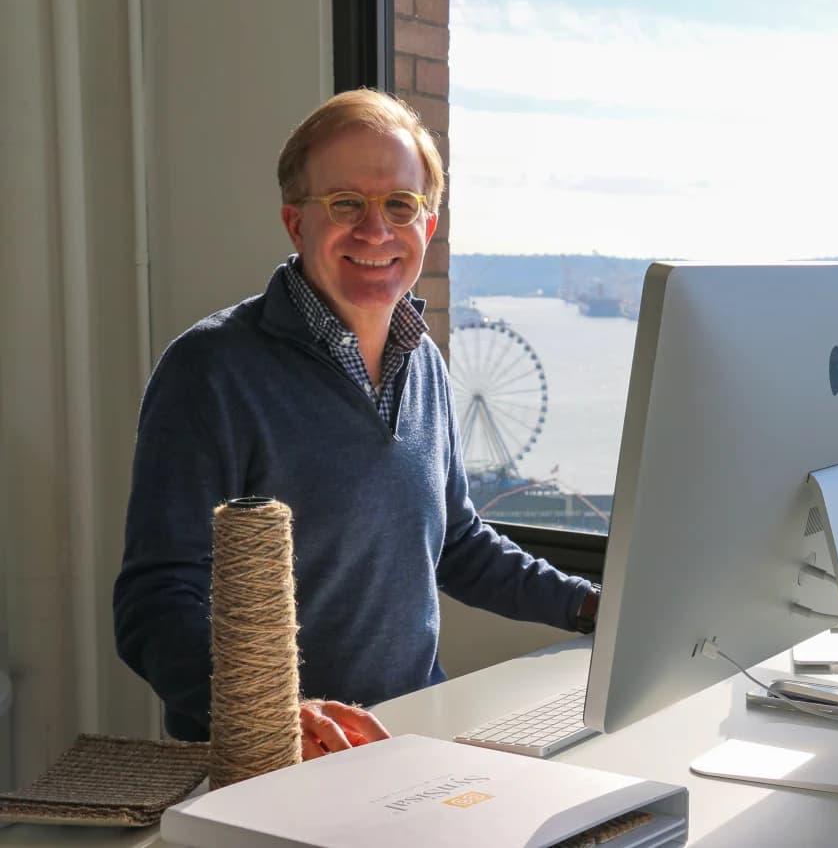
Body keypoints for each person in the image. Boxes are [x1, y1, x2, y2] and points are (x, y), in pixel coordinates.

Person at [113, 88, 600, 758]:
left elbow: (454, 543)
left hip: (410, 738)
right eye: (345, 204)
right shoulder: (210, 370)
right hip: (269, 759)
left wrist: (592, 608)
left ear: (426, 227)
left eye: (400, 205)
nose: (376, 231)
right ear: (295, 223)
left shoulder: (423, 360)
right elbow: (156, 600)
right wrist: (278, 715)